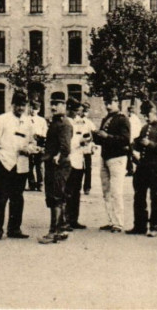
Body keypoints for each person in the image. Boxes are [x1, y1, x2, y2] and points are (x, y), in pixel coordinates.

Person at [0, 91, 37, 240]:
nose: (20, 108)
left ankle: (14, 229)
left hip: (21, 165)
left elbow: (32, 142)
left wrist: (30, 149)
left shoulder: (28, 122)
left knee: (18, 198)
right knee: (1, 198)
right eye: (18, 105)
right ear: (12, 104)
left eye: (23, 105)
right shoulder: (2, 120)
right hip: (5, 162)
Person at [127, 100, 157, 237]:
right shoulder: (145, 128)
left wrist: (150, 144)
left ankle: (155, 226)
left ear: (154, 113)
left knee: (155, 197)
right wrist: (134, 145)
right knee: (139, 195)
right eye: (144, 115)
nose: (145, 118)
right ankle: (140, 225)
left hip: (156, 167)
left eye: (147, 115)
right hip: (143, 166)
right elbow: (138, 144)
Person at [93, 91, 131, 233]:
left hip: (117, 158)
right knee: (106, 191)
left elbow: (125, 139)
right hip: (105, 157)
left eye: (111, 102)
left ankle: (118, 223)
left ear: (117, 103)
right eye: (106, 103)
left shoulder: (123, 119)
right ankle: (111, 220)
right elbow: (100, 140)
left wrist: (107, 136)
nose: (108, 106)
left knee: (116, 191)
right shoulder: (105, 119)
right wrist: (96, 135)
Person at [39, 92, 72, 245]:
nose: (53, 106)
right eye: (52, 103)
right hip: (53, 163)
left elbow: (65, 147)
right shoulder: (55, 122)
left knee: (55, 197)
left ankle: (54, 232)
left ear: (64, 106)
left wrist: (56, 156)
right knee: (59, 196)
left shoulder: (64, 124)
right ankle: (63, 228)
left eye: (57, 104)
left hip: (58, 166)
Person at [64, 97, 89, 231]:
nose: (77, 114)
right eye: (74, 111)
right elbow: (67, 142)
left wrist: (87, 141)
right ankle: (65, 220)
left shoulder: (79, 122)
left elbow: (84, 135)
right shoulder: (66, 122)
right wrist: (80, 142)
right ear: (68, 109)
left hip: (79, 160)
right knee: (68, 191)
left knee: (76, 191)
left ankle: (74, 219)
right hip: (69, 160)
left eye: (78, 111)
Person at [26, 101, 48, 191]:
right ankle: (31, 183)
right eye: (31, 108)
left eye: (35, 109)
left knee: (39, 165)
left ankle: (40, 184)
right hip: (29, 143)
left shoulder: (41, 120)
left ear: (38, 110)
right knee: (29, 165)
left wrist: (41, 139)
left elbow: (45, 132)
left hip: (39, 143)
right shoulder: (25, 119)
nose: (32, 111)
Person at [79, 103, 97, 196]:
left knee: (88, 168)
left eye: (86, 111)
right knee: (78, 167)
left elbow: (93, 134)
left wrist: (91, 141)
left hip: (87, 148)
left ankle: (87, 187)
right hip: (77, 148)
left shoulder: (89, 122)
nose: (85, 113)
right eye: (83, 111)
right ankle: (77, 186)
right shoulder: (76, 121)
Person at [126, 104, 142, 176]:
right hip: (135, 138)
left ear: (129, 111)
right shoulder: (137, 119)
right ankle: (131, 169)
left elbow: (131, 130)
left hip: (131, 138)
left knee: (129, 154)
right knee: (130, 154)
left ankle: (132, 169)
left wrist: (130, 139)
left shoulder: (131, 119)